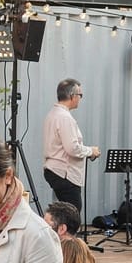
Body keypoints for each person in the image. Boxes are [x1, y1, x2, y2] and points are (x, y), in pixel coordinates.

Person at [42, 78, 99, 213]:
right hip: (64, 172)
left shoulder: (53, 114)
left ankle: (59, 233)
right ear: (72, 96)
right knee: (72, 212)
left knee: (61, 212)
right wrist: (91, 151)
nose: (80, 98)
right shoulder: (64, 118)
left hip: (54, 169)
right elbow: (72, 148)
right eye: (80, 95)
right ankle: (66, 234)